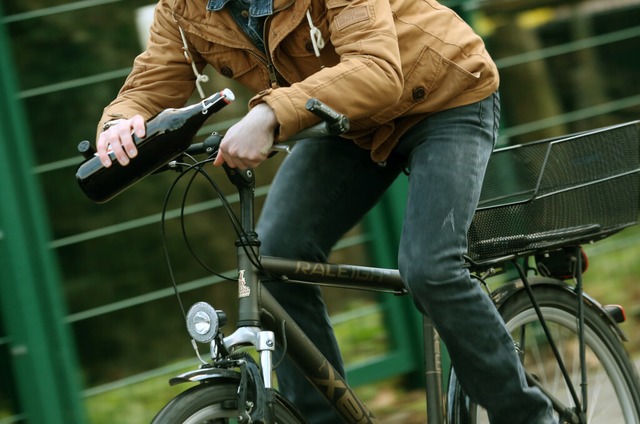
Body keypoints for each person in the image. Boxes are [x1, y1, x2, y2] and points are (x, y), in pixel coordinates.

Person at [96, 0, 558, 422]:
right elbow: (154, 80)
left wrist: (270, 114)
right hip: (346, 124)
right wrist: (121, 124)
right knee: (276, 258)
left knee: (431, 268)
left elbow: (377, 68)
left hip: (442, 95)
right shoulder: (184, 8)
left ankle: (530, 417)